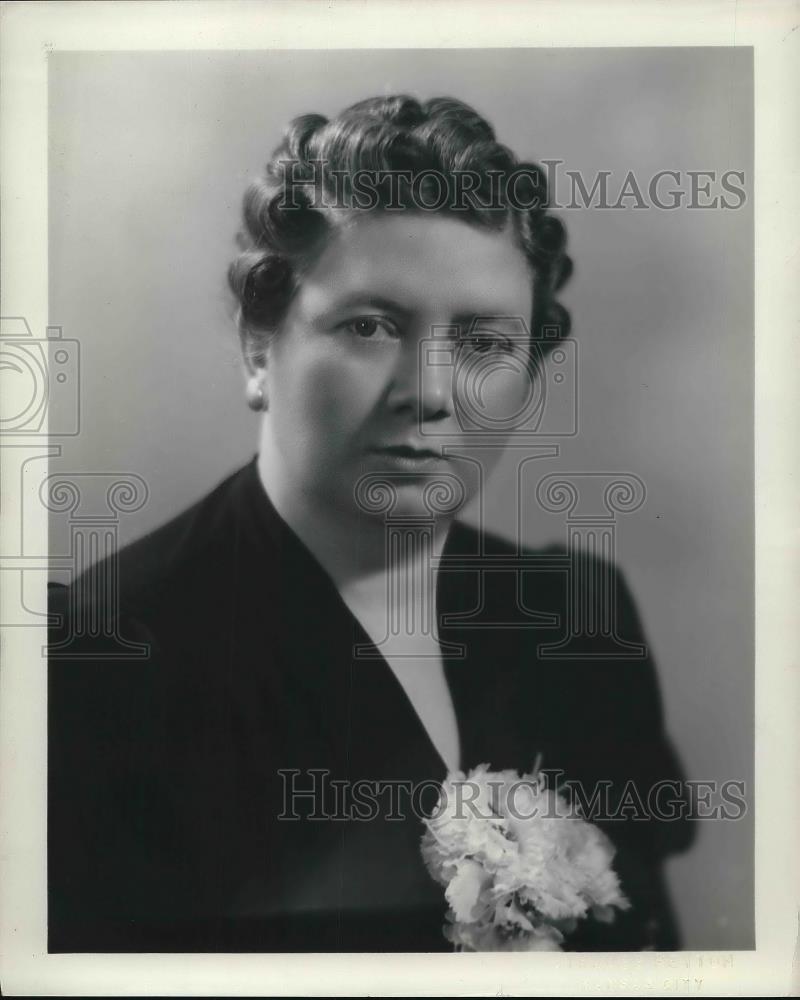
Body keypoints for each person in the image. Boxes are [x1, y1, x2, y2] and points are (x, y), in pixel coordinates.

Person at [48, 94, 694, 953]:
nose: (428, 391)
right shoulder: (103, 662)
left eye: (483, 343)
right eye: (370, 326)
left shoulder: (577, 616)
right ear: (257, 345)